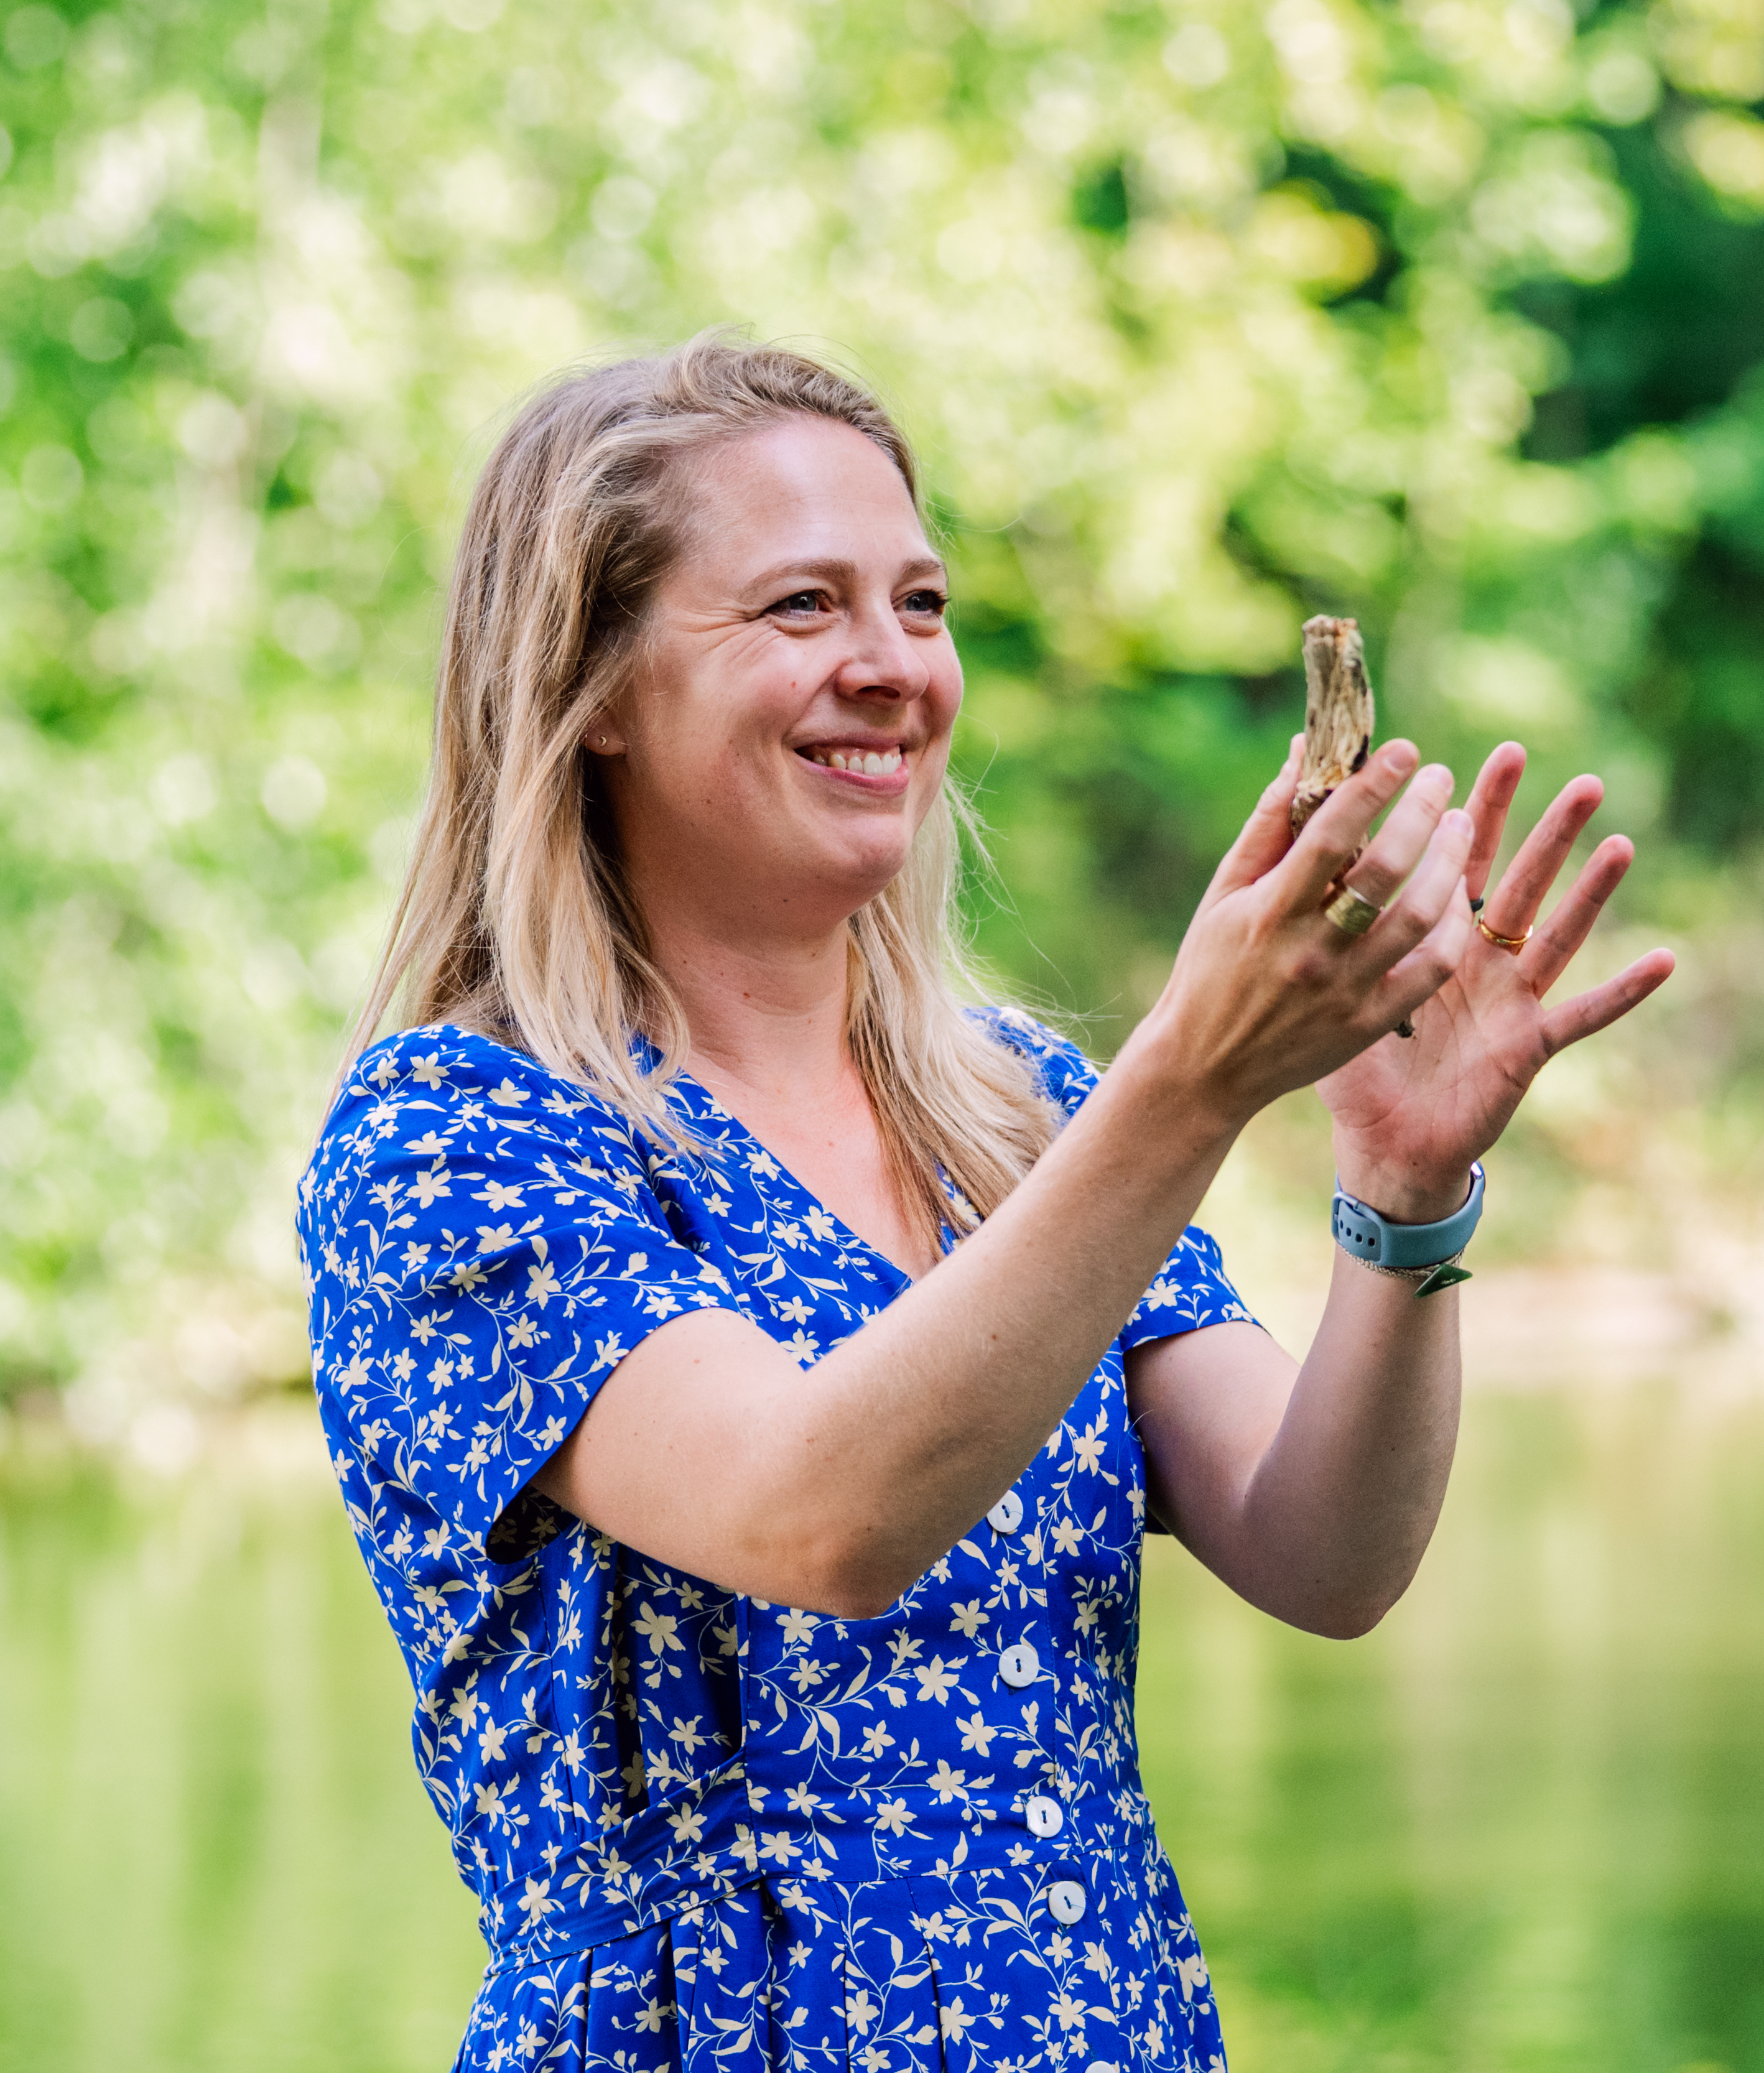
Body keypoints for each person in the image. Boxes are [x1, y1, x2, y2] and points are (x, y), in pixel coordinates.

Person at [297, 335, 1672, 2071]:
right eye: (802, 608)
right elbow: (822, 1521)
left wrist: (1406, 1197)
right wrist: (1191, 1078)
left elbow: (1324, 1552)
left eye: (921, 606)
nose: (890, 668)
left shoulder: (1016, 1112)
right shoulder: (455, 1140)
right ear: (596, 693)